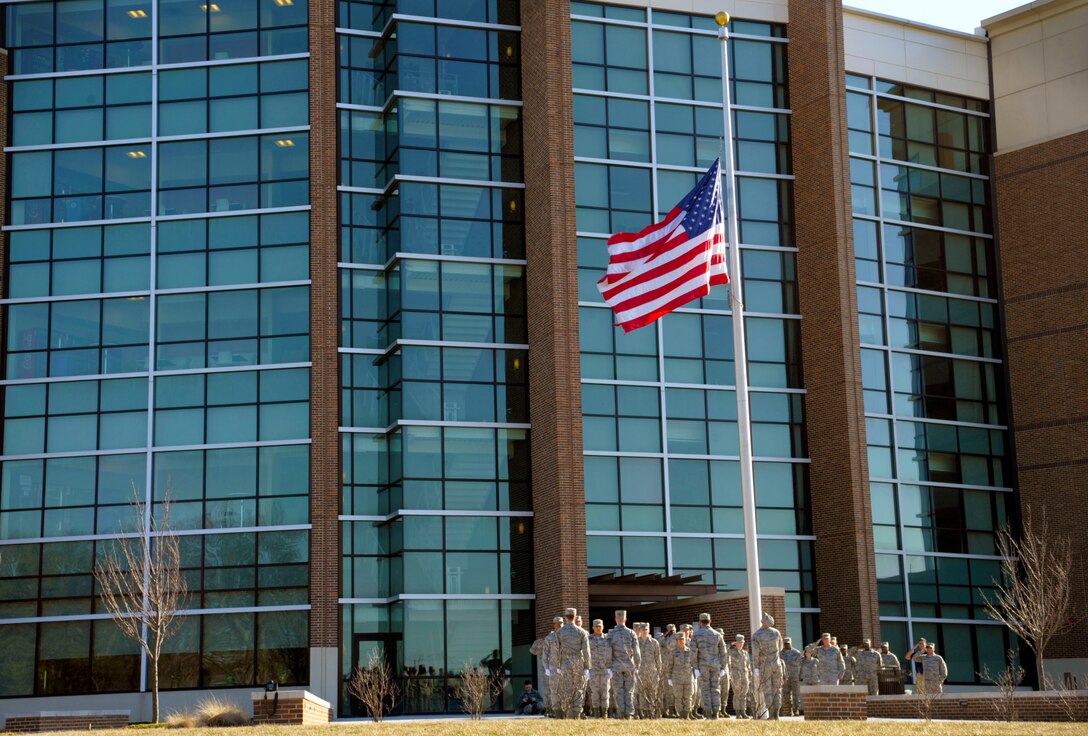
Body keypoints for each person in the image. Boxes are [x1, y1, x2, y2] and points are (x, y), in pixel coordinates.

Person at [555, 607, 591, 719]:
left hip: (565, 662)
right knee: (579, 688)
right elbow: (586, 651)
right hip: (578, 662)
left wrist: (557, 665)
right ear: (575, 617)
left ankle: (568, 712)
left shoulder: (559, 632)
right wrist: (587, 667)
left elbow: (556, 650)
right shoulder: (582, 632)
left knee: (566, 688)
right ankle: (577, 713)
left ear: (566, 617)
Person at [692, 612, 727, 720]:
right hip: (715, 665)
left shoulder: (696, 635)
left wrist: (695, 667)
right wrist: (723, 667)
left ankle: (708, 713)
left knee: (705, 690)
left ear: (700, 622)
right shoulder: (717, 634)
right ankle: (716, 713)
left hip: (703, 666)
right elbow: (724, 652)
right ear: (710, 621)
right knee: (716, 689)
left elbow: (693, 653)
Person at [750, 612, 785, 719]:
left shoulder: (756, 635)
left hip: (765, 665)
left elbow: (755, 654)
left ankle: (771, 716)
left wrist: (756, 667)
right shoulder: (776, 632)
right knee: (777, 689)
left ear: (762, 622)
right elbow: (780, 647)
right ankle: (777, 715)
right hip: (777, 663)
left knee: (768, 690)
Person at [609, 609, 640, 719]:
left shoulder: (611, 633)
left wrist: (609, 666)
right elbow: (637, 652)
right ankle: (629, 713)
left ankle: (621, 713)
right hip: (629, 666)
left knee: (618, 690)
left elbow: (608, 651)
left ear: (616, 619)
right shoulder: (631, 633)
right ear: (625, 619)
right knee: (629, 691)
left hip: (616, 666)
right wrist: (637, 665)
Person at [636, 623, 663, 719]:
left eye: (646, 629)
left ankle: (652, 712)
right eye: (642, 630)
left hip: (652, 671)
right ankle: (644, 713)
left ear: (649, 630)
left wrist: (659, 672)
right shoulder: (637, 642)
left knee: (652, 692)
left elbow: (658, 658)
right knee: (642, 692)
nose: (644, 631)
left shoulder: (654, 642)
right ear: (640, 630)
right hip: (640, 671)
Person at [587, 619, 612, 718]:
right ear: (593, 627)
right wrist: (587, 668)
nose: (598, 628)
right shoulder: (589, 639)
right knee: (595, 692)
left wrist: (610, 667)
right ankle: (596, 712)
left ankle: (604, 712)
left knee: (605, 691)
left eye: (600, 626)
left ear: (603, 627)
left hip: (605, 669)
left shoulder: (608, 639)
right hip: (593, 670)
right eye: (596, 626)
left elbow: (611, 653)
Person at [671, 631, 698, 720]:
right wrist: (669, 678)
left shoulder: (690, 651)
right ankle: (681, 714)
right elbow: (669, 666)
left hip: (688, 678)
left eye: (683, 639)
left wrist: (695, 675)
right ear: (676, 641)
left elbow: (694, 664)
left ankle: (686, 715)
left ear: (685, 639)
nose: (681, 641)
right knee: (678, 697)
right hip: (677, 679)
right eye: (679, 639)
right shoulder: (673, 652)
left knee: (688, 697)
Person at [543, 616, 563, 716]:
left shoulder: (566, 636)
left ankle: (565, 710)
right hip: (553, 668)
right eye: (557, 623)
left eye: (561, 623)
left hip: (565, 668)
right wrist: (546, 668)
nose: (559, 625)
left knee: (565, 690)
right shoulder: (549, 638)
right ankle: (556, 711)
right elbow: (545, 654)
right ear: (554, 624)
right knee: (554, 691)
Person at [728, 634, 751, 719]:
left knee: (744, 695)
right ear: (736, 643)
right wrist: (731, 644)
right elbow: (724, 650)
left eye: (742, 642)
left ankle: (743, 712)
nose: (741, 644)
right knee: (737, 694)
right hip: (736, 676)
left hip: (745, 676)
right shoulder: (731, 652)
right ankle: (738, 713)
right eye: (739, 642)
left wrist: (750, 676)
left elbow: (748, 665)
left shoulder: (745, 653)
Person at [781, 637, 803, 717]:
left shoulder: (797, 653)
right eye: (785, 643)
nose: (787, 645)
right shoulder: (781, 653)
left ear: (791, 643)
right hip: (785, 677)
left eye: (788, 643)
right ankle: (789, 711)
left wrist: (801, 675)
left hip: (795, 677)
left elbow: (801, 665)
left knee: (796, 694)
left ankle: (796, 710)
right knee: (786, 695)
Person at [659, 624, 677, 716]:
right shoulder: (664, 640)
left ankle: (674, 710)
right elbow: (659, 642)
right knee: (667, 690)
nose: (673, 633)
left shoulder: (675, 640)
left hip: (675, 668)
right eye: (671, 631)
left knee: (674, 690)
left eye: (674, 631)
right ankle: (667, 710)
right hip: (666, 669)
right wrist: (664, 635)